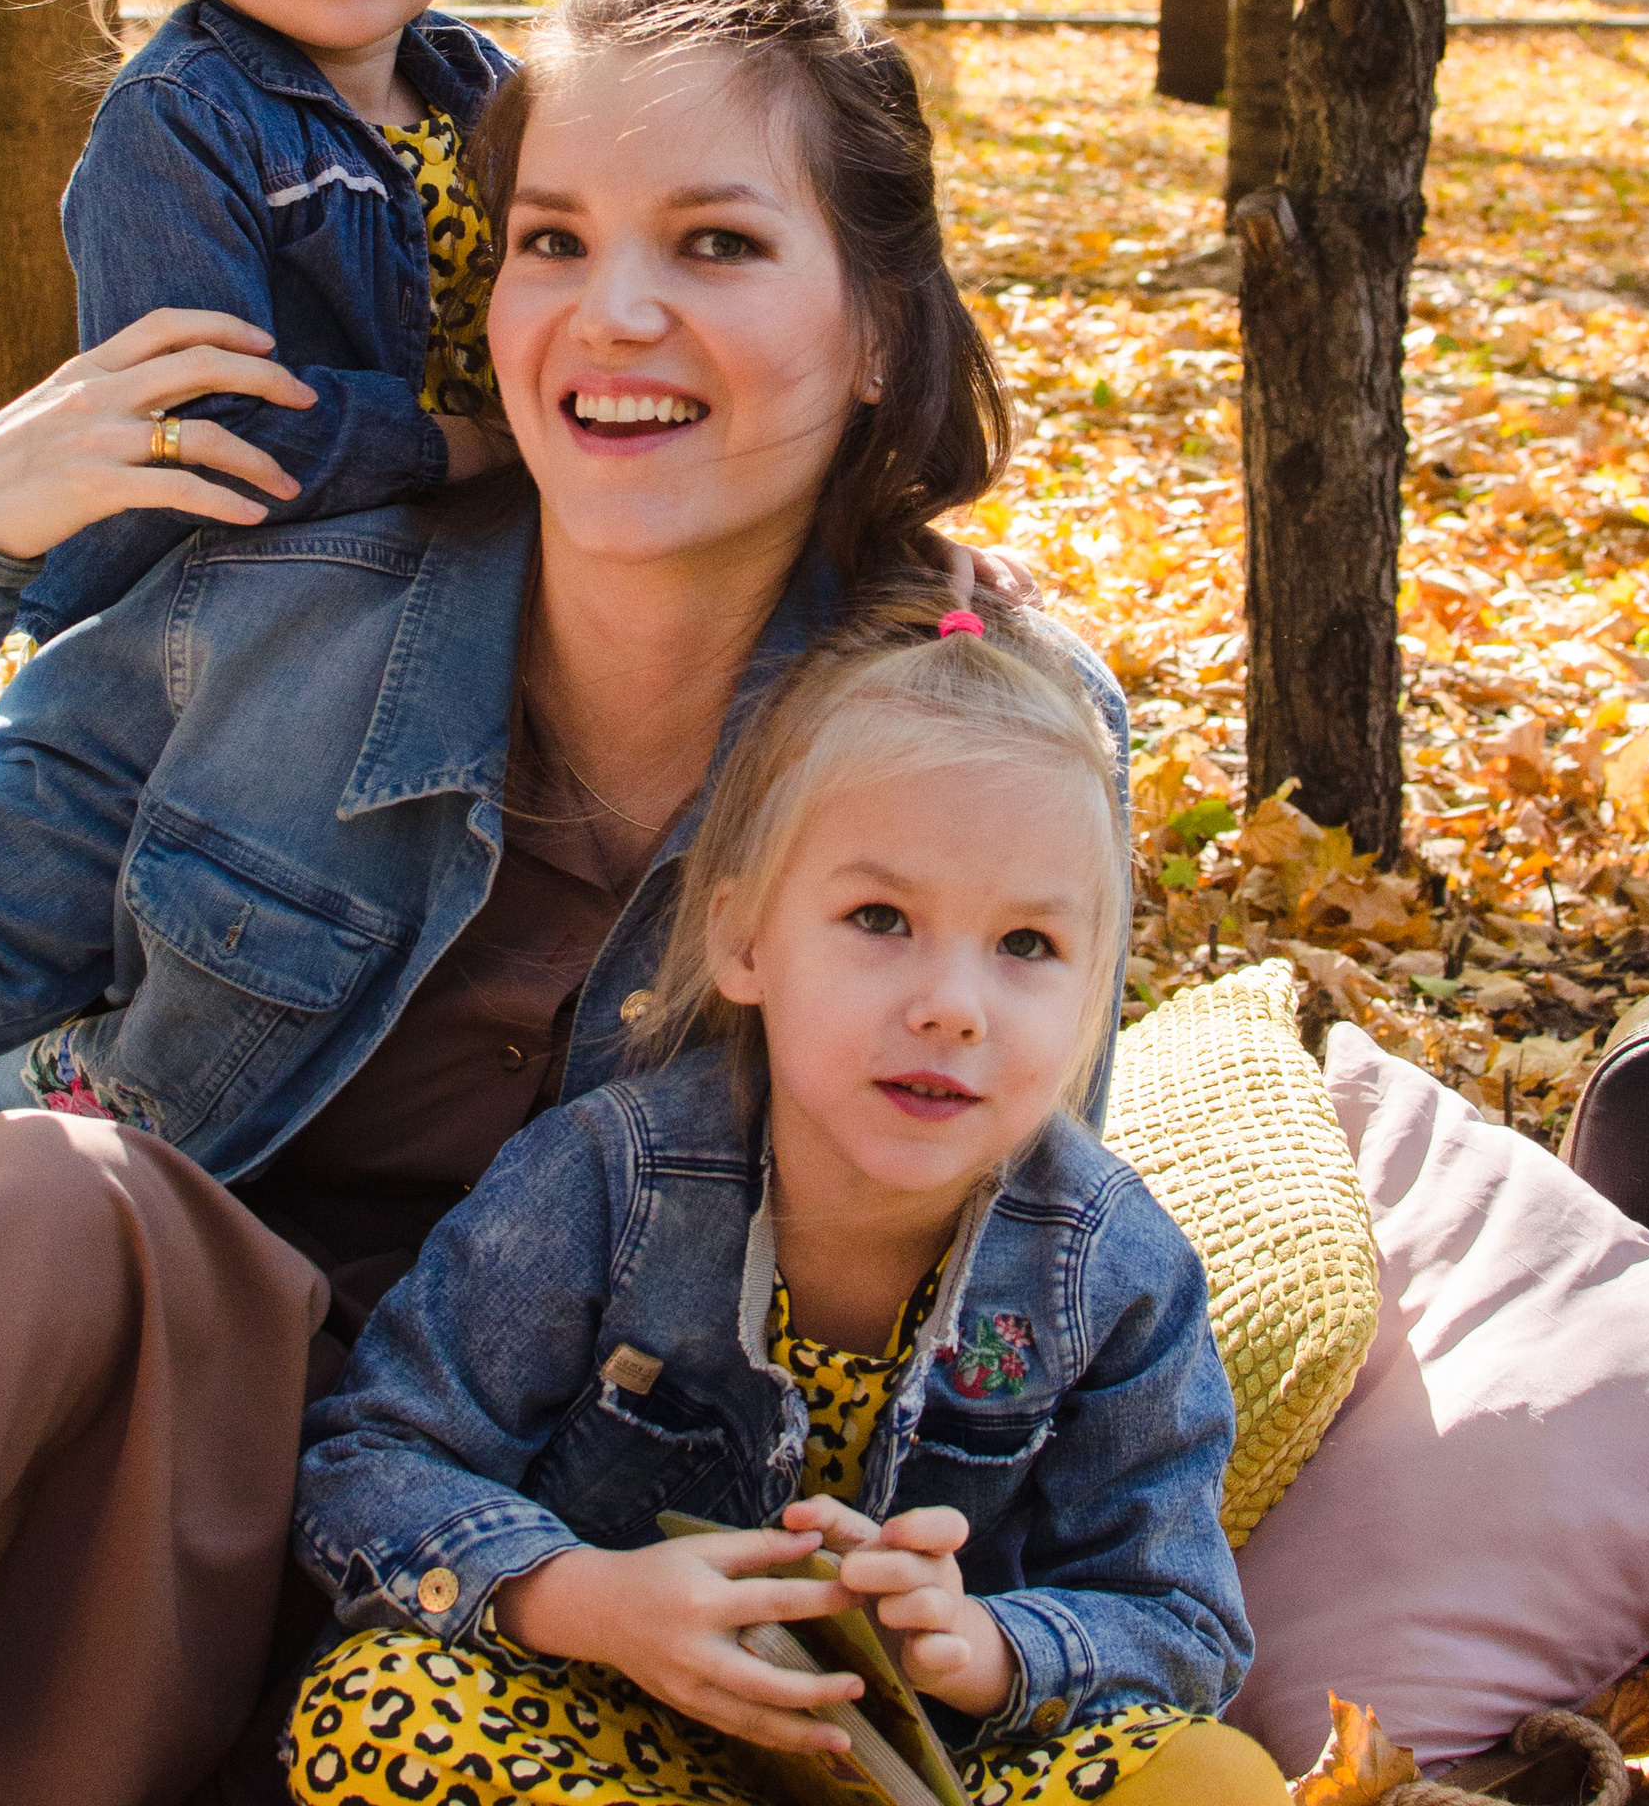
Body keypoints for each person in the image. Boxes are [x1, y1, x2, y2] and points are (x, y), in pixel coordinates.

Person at [0, 0, 1111, 1806]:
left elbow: (1002, 1277)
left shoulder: (984, 727)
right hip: (68, 1441)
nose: (609, 314)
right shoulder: (268, 616)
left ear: (882, 331)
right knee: (80, 1209)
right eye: (553, 239)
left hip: (488, 1622)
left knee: (70, 1221)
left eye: (719, 244)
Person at [286, 610, 1287, 1806]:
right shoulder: (608, 1179)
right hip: (617, 1730)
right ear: (745, 940)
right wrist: (586, 1598)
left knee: (1214, 1779)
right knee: (373, 1706)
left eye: (1026, 942)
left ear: (1089, 1001)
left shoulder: (1110, 1267)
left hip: (944, 1768)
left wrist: (982, 1648)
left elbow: (1178, 1620)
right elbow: (374, 1457)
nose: (952, 1006)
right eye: (879, 920)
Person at [19, 0, 517, 647]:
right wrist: (470, 445)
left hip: (460, 583)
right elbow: (209, 427)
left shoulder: (496, 95)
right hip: (225, 629)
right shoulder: (183, 122)